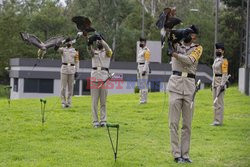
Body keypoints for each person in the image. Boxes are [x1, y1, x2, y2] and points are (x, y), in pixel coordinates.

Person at [167, 25, 202, 163]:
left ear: (195, 36)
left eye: (192, 34)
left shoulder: (198, 48)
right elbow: (169, 39)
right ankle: (176, 155)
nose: (190, 35)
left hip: (189, 88)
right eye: (188, 33)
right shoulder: (176, 44)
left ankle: (185, 155)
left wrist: (174, 54)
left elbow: (189, 60)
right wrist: (170, 32)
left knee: (187, 125)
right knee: (173, 123)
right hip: (175, 86)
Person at [88, 35, 112, 128]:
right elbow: (89, 51)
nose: (98, 42)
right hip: (94, 77)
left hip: (104, 78)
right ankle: (95, 121)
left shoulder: (107, 52)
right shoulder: (94, 52)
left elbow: (108, 49)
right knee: (94, 101)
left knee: (103, 101)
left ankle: (103, 120)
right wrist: (89, 43)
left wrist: (101, 40)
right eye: (97, 41)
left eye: (99, 41)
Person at [58, 39, 79, 108]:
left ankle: (69, 102)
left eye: (69, 41)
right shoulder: (62, 49)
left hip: (72, 70)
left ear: (71, 43)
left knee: (70, 87)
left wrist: (77, 71)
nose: (68, 43)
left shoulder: (75, 51)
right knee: (63, 87)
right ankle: (63, 102)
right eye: (67, 42)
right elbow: (56, 48)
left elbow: (77, 62)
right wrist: (62, 42)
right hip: (64, 69)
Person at [211, 43, 229, 126]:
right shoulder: (216, 60)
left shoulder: (224, 61)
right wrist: (212, 84)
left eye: (219, 50)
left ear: (223, 51)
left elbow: (225, 74)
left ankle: (219, 121)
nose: (218, 51)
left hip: (220, 84)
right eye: (217, 49)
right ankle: (215, 120)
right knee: (215, 103)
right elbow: (214, 73)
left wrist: (222, 85)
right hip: (214, 83)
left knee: (219, 103)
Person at [137, 37, 151, 104]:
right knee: (140, 84)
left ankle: (144, 100)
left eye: (142, 42)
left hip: (143, 68)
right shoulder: (140, 50)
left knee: (144, 84)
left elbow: (147, 61)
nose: (140, 43)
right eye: (140, 41)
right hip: (139, 67)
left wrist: (144, 70)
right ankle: (141, 99)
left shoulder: (146, 50)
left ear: (145, 43)